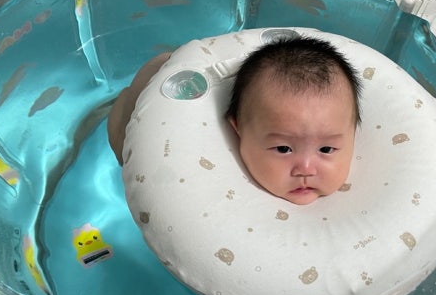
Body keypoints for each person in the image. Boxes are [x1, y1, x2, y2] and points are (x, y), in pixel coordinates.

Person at [108, 35, 361, 205]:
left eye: (326, 149)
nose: (305, 169)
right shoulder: (202, 171)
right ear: (238, 128)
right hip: (155, 102)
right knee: (125, 145)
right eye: (283, 148)